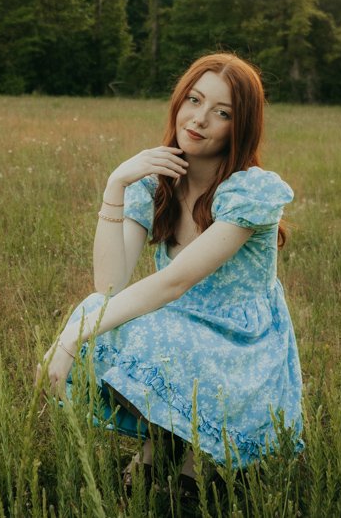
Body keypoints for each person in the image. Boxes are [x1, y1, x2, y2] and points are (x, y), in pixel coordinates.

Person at [37, 52, 303, 498]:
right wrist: (115, 186)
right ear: (178, 101)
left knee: (115, 330)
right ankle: (163, 436)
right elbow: (108, 286)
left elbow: (172, 283)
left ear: (241, 127)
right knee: (99, 314)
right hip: (180, 325)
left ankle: (199, 457)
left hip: (241, 342)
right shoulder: (156, 182)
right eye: (194, 100)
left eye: (222, 113)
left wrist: (69, 339)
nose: (200, 119)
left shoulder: (248, 191)